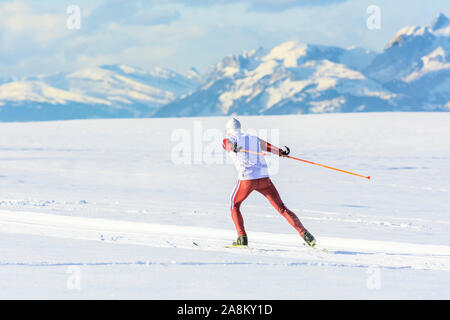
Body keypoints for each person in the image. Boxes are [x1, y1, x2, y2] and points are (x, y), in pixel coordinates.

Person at [222, 118, 316, 247]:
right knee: (282, 208)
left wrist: (233, 147)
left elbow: (225, 144)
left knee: (235, 205)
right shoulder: (252, 138)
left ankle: (242, 237)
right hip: (264, 179)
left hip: (247, 180)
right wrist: (281, 152)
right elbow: (267, 146)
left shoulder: (231, 139)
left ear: (228, 130)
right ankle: (305, 234)